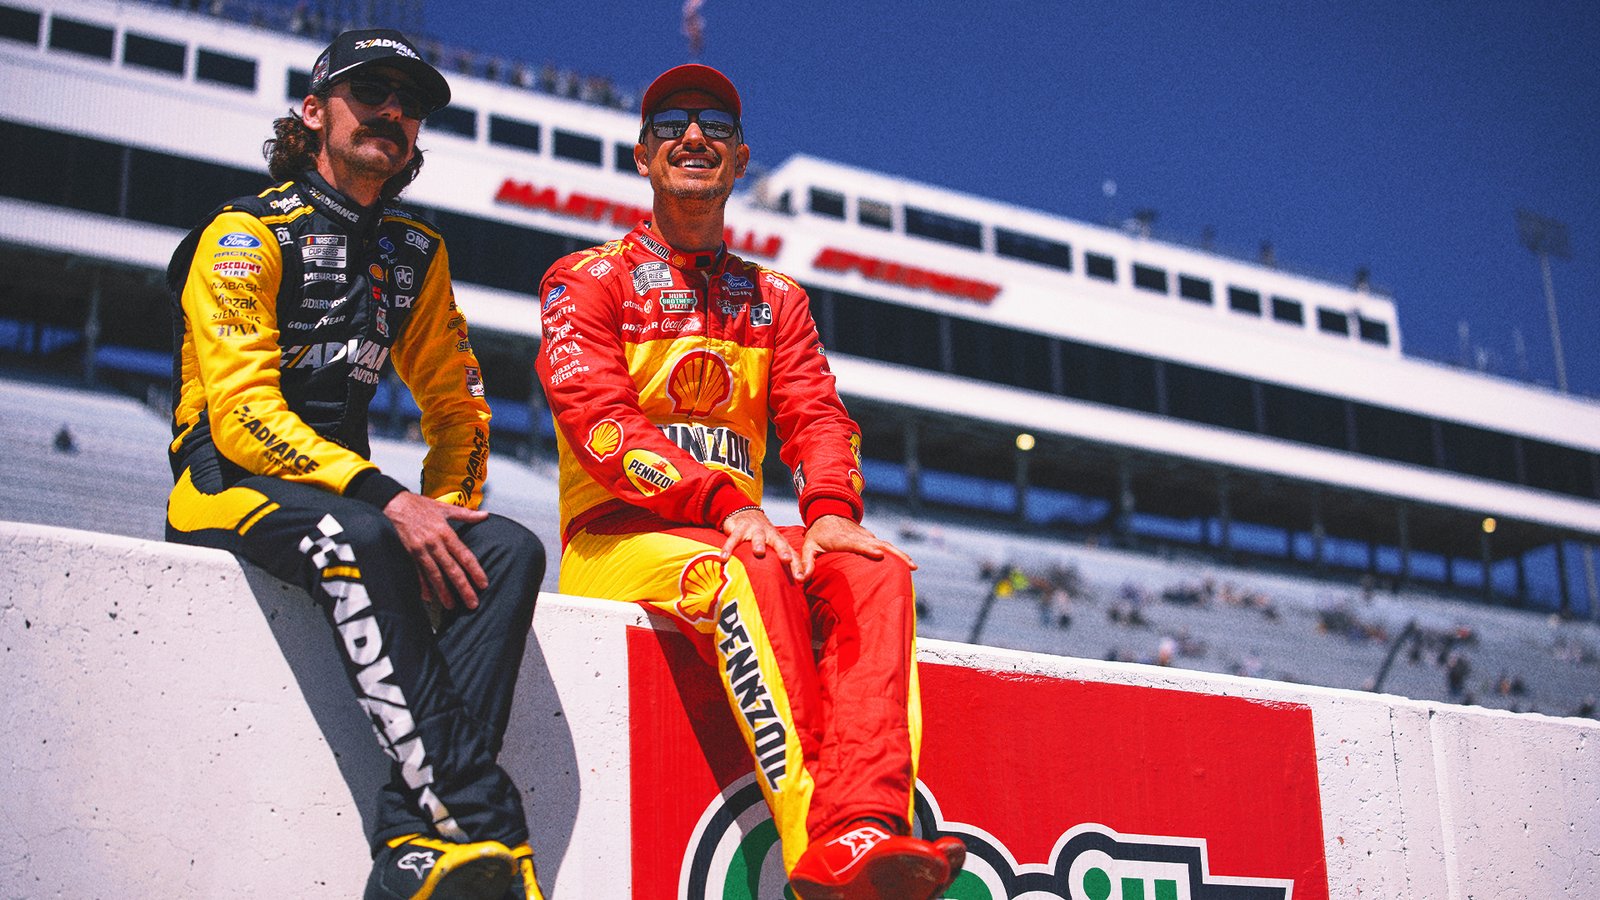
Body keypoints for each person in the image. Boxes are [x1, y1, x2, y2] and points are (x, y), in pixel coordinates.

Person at [534, 64, 966, 899]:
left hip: (734, 528)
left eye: (716, 126)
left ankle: (869, 822)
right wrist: (725, 503)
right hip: (617, 540)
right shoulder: (584, 277)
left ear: (739, 160)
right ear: (642, 156)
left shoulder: (777, 299)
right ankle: (821, 849)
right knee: (755, 565)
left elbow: (818, 416)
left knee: (874, 567)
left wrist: (831, 511)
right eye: (671, 124)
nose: (693, 136)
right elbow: (602, 423)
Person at [164, 29, 545, 900]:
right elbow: (242, 418)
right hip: (223, 486)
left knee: (505, 551)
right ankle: (484, 827)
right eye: (370, 92)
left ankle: (413, 848)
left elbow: (458, 408)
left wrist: (445, 511)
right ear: (313, 112)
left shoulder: (415, 252)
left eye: (409, 105)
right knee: (363, 534)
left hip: (349, 500)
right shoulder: (243, 232)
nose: (392, 112)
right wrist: (390, 500)